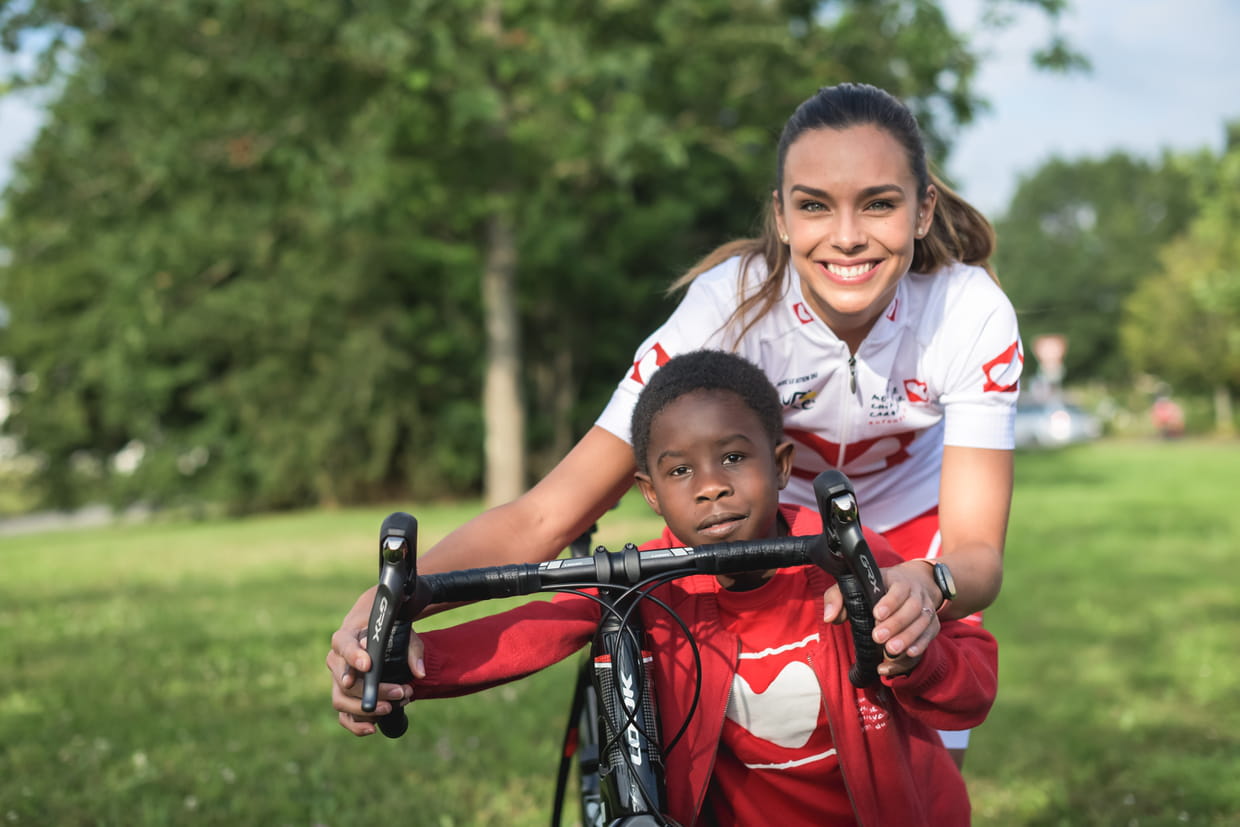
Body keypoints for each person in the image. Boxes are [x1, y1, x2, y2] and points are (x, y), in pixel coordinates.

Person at [329, 82, 1021, 765]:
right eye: (814, 205)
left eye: (879, 204)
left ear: (923, 210)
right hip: (767, 530)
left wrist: (932, 582)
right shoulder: (726, 309)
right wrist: (386, 603)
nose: (846, 237)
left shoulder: (968, 311)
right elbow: (547, 515)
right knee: (762, 761)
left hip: (916, 537)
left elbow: (976, 553)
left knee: (920, 768)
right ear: (781, 217)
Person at [374, 351, 999, 826]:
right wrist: (403, 665)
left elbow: (970, 689)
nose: (710, 486)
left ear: (781, 465)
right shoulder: (645, 580)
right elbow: (538, 628)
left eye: (734, 458)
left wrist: (914, 654)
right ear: (650, 493)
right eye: (680, 470)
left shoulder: (844, 556)